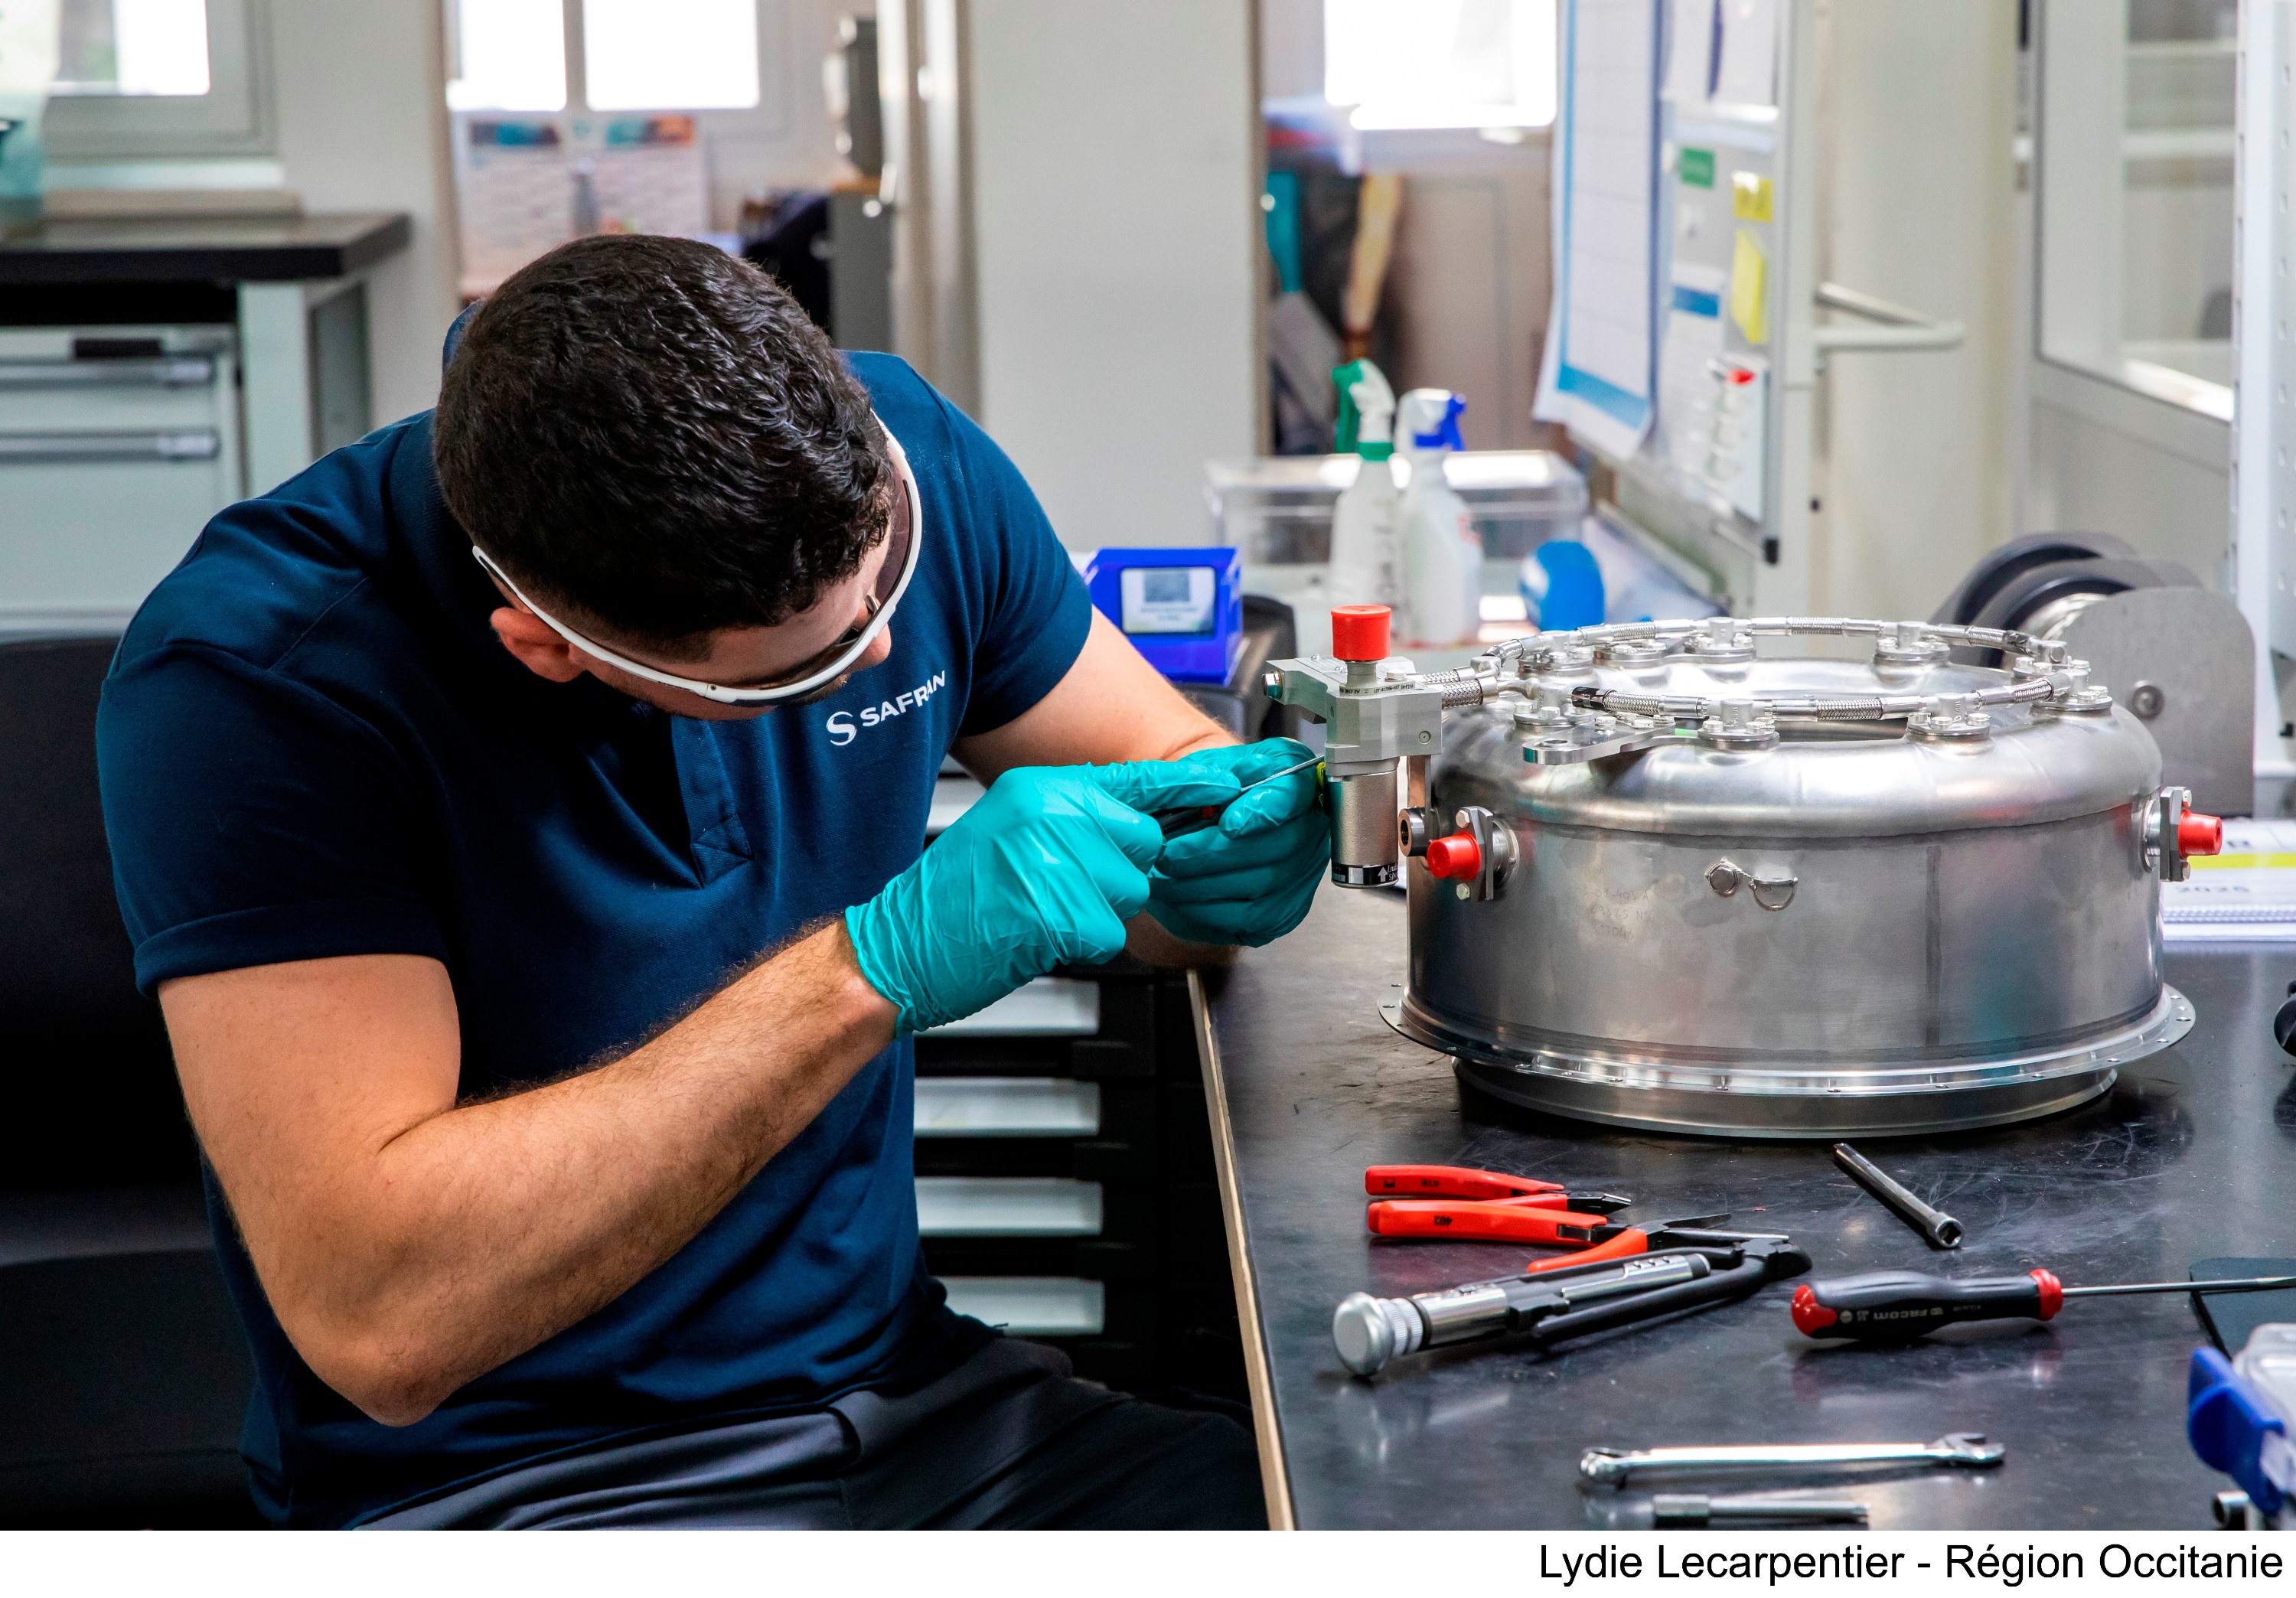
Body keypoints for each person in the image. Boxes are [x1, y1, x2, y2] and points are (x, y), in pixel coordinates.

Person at [95, 234, 1327, 1528]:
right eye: (799, 672)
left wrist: (1211, 871)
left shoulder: (899, 458)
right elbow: (383, 1319)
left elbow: (1166, 787)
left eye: (886, 584)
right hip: (515, 1488)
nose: (880, 651)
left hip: (914, 1398)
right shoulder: (258, 681)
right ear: (547, 646)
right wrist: (867, 971)